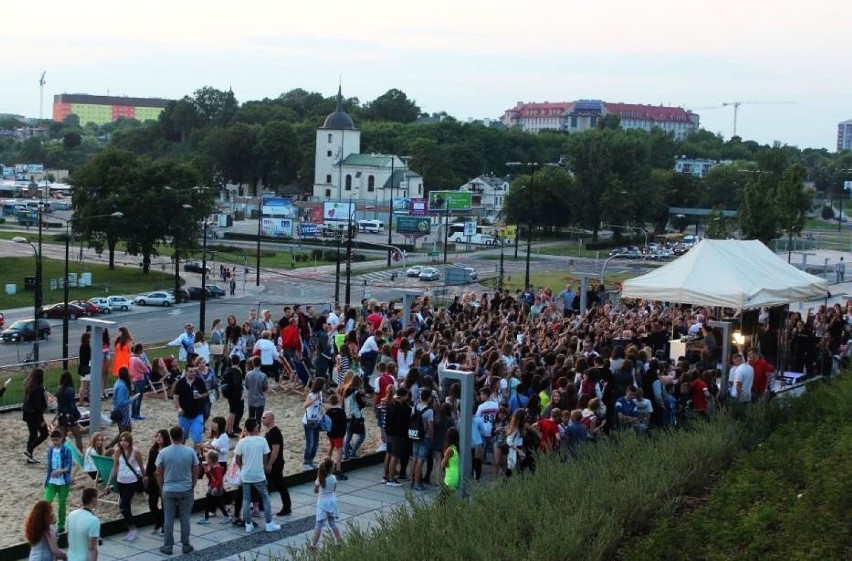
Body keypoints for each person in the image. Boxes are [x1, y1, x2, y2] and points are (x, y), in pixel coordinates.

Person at [156, 425, 199, 556]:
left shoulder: (163, 453)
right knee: (185, 518)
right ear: (182, 436)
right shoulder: (190, 451)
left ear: (170, 436)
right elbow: (196, 469)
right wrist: (193, 484)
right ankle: (185, 545)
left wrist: (162, 486)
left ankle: (168, 546)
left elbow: (159, 472)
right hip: (186, 488)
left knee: (168, 518)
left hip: (169, 489)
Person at [234, 418, 281, 533]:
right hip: (258, 474)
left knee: (246, 499)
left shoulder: (242, 442)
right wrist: (264, 466)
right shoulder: (262, 440)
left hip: (246, 474)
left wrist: (242, 468)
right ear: (255, 427)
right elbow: (265, 457)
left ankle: (248, 524)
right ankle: (269, 523)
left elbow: (237, 458)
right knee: (265, 497)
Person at [107, 432, 144, 541]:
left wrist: (145, 477)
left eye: (125, 440)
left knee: (123, 505)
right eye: (121, 440)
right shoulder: (118, 451)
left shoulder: (135, 451)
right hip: (121, 480)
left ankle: (133, 529)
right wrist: (109, 482)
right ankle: (130, 529)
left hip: (132, 480)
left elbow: (141, 466)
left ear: (130, 441)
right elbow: (114, 467)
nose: (123, 443)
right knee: (125, 506)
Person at [306, 458, 343, 551]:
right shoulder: (333, 478)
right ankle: (339, 541)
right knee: (332, 523)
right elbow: (334, 489)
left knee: (318, 524)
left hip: (322, 503)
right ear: (331, 468)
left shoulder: (320, 478)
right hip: (331, 502)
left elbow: (315, 490)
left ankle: (313, 544)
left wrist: (321, 490)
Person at [261, 411, 292, 516]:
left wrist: (269, 464)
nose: (262, 419)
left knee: (280, 485)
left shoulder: (275, 432)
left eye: (264, 418)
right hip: (272, 463)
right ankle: (262, 505)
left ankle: (287, 507)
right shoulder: (269, 431)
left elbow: (275, 450)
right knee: (267, 484)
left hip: (276, 464)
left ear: (270, 419)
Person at [43, 430, 73, 534]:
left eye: (56, 440)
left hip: (63, 481)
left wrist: (59, 471)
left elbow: (68, 467)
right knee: (46, 501)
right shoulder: (50, 450)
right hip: (51, 480)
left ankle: (61, 525)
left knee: (62, 503)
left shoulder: (66, 450)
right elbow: (49, 466)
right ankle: (50, 520)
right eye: (53, 440)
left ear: (61, 438)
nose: (55, 442)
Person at [173, 364, 208, 449]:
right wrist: (178, 407)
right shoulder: (181, 382)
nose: (192, 373)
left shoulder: (199, 381)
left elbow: (205, 393)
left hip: (198, 413)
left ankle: (197, 456)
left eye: (194, 371)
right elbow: (176, 396)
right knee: (182, 438)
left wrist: (200, 396)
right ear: (186, 372)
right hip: (184, 414)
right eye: (190, 371)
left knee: (197, 437)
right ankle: (181, 453)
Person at [145, 429, 171, 534]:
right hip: (153, 480)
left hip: (165, 480)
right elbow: (149, 464)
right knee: (152, 503)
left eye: (160, 436)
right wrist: (146, 475)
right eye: (157, 436)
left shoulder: (168, 450)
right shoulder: (153, 450)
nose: (158, 438)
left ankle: (165, 525)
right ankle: (159, 521)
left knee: (165, 504)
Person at [106, 368, 138, 450]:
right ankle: (118, 448)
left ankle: (111, 445)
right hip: (121, 412)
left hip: (122, 411)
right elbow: (121, 402)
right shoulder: (122, 386)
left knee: (127, 430)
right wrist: (132, 399)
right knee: (124, 433)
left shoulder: (119, 382)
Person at [23, 367, 50, 464]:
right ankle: (29, 450)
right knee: (44, 433)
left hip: (27, 413)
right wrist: (41, 420)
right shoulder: (38, 389)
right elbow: (38, 406)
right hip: (35, 415)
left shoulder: (29, 385)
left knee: (33, 433)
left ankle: (29, 455)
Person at [410, 388, 434, 491]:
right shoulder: (429, 411)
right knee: (421, 460)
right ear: (429, 398)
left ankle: (412, 481)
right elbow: (430, 427)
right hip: (425, 437)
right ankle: (417, 483)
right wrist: (432, 438)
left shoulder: (414, 407)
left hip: (415, 435)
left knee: (415, 458)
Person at [66, 488, 100, 561]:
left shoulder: (71, 515)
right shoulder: (93, 520)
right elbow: (92, 548)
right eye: (97, 498)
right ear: (93, 499)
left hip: (71, 558)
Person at [198, 450, 229, 524]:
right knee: (210, 501)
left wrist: (216, 487)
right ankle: (206, 517)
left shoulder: (216, 467)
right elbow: (210, 477)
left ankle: (226, 516)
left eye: (207, 458)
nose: (206, 460)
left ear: (211, 459)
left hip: (216, 487)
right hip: (212, 486)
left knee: (217, 502)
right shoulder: (212, 466)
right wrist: (206, 470)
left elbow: (220, 479)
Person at [302, 378, 326, 470]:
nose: (325, 385)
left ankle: (311, 461)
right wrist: (315, 399)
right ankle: (306, 462)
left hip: (317, 420)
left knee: (316, 443)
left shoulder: (320, 393)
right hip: (309, 422)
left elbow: (320, 406)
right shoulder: (311, 395)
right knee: (310, 443)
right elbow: (305, 405)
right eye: (323, 384)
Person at [55, 371, 83, 451]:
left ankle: (58, 451)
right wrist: (77, 415)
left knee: (62, 436)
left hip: (61, 415)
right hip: (69, 416)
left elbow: (59, 404)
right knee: (77, 435)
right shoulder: (70, 390)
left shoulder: (59, 389)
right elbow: (72, 406)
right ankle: (80, 453)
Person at [342, 376, 367, 461]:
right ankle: (353, 452)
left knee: (349, 435)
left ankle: (346, 454)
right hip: (356, 416)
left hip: (347, 415)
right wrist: (364, 400)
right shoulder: (357, 393)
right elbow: (363, 405)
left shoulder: (345, 390)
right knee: (362, 435)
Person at [325, 394, 348, 480]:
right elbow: (344, 424)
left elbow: (326, 423)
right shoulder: (341, 411)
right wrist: (343, 434)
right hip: (338, 434)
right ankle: (338, 470)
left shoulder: (328, 411)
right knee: (339, 451)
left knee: (331, 447)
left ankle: (327, 464)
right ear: (338, 401)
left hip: (330, 433)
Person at [222, 355, 245, 437]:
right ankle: (229, 430)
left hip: (229, 394)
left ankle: (229, 429)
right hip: (235, 395)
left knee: (232, 412)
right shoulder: (236, 371)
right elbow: (237, 384)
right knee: (232, 413)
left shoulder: (227, 370)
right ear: (238, 362)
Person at [244, 356, 269, 425]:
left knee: (251, 418)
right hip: (260, 400)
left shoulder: (248, 374)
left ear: (252, 364)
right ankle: (257, 433)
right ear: (260, 364)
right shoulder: (263, 375)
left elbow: (246, 386)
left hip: (251, 399)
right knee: (258, 420)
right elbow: (265, 388)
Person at [441, 426, 460, 493]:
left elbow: (442, 465)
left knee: (441, 502)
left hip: (450, 477)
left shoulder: (450, 450)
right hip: (453, 475)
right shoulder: (455, 448)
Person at [77, 332, 92, 407]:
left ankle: (82, 401)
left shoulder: (82, 346)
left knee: (84, 385)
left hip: (82, 367)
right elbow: (90, 356)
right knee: (84, 385)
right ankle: (81, 402)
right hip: (86, 367)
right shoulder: (87, 347)